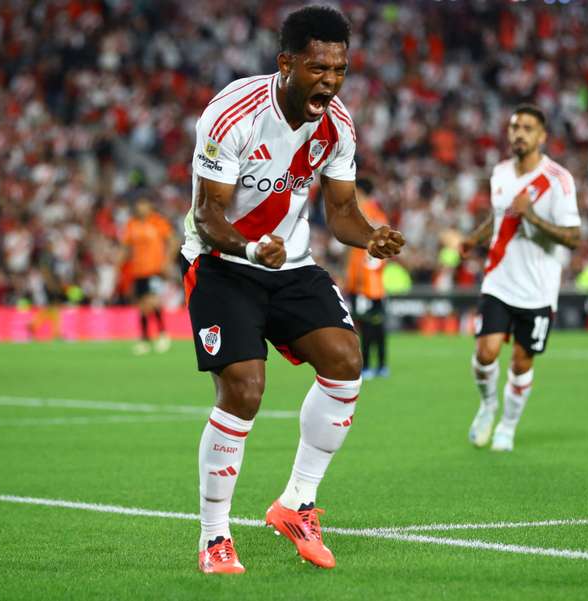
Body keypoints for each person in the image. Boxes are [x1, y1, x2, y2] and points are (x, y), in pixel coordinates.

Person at [180, 6, 404, 574]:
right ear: (285, 63)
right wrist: (251, 249)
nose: (329, 81)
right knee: (244, 389)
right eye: (317, 68)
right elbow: (207, 215)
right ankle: (213, 537)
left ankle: (297, 502)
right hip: (223, 263)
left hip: (291, 265)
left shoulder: (339, 126)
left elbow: (343, 211)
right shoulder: (233, 114)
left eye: (340, 69)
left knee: (346, 361)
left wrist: (370, 237)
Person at [460, 104, 581, 453]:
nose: (519, 133)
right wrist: (474, 238)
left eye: (528, 128)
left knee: (521, 362)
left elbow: (574, 237)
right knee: (486, 352)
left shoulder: (558, 180)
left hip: (539, 290)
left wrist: (534, 219)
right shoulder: (500, 173)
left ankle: (508, 427)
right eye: (515, 127)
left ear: (542, 136)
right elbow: (499, 218)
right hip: (498, 279)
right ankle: (487, 406)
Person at [345, 178, 389, 379]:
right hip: (373, 282)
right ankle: (380, 365)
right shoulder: (377, 214)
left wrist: (358, 280)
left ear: (360, 192)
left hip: (365, 283)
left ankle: (370, 366)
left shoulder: (365, 215)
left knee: (367, 326)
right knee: (376, 325)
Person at [121, 198, 176, 355]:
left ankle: (158, 335)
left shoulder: (158, 222)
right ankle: (153, 337)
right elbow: (126, 247)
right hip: (138, 270)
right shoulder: (132, 224)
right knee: (143, 305)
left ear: (150, 205)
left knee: (151, 301)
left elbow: (173, 241)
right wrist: (119, 263)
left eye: (144, 203)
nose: (141, 207)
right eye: (139, 204)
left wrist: (166, 262)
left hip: (154, 269)